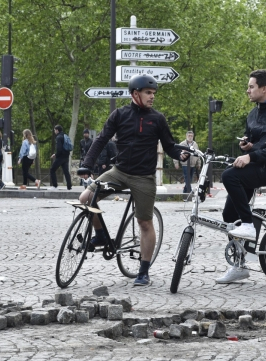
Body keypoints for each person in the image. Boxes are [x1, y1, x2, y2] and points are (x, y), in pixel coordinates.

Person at [78, 74, 189, 286]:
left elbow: (169, 145)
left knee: (144, 222)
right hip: (118, 172)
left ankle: (143, 271)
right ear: (135, 94)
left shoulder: (157, 119)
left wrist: (179, 155)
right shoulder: (119, 115)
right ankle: (101, 235)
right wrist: (87, 164)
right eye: (148, 93)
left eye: (154, 93)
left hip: (144, 177)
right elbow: (101, 140)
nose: (152, 97)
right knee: (86, 198)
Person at [216, 69, 266, 284]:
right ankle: (239, 265)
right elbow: (253, 141)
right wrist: (247, 145)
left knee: (229, 176)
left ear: (264, 89)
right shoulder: (253, 114)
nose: (247, 90)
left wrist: (251, 156)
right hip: (254, 166)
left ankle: (249, 224)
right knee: (229, 216)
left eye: (251, 87)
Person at [49, 125, 72, 190]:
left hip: (60, 157)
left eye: (54, 130)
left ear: (57, 130)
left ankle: (55, 185)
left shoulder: (58, 137)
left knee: (52, 170)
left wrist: (55, 155)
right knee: (66, 172)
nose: (54, 131)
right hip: (66, 156)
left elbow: (59, 149)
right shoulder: (65, 136)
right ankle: (69, 186)